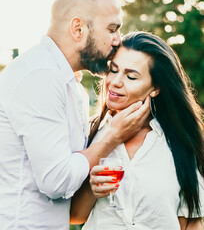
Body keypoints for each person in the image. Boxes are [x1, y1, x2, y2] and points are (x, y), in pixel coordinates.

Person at [0, 0, 150, 230]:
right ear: (78, 28)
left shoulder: (65, 82)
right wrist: (112, 138)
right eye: (112, 29)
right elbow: (56, 180)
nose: (118, 40)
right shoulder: (40, 76)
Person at [70, 31, 204, 230]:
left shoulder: (180, 142)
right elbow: (75, 216)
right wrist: (92, 189)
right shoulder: (87, 132)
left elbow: (192, 221)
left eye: (131, 76)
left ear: (155, 88)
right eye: (113, 70)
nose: (115, 82)